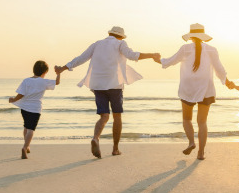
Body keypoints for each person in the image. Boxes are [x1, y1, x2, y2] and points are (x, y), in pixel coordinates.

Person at [54, 26, 160, 159]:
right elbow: (132, 55)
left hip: (98, 84)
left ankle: (96, 138)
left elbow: (80, 59)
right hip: (115, 84)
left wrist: (63, 68)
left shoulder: (97, 44)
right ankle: (115, 149)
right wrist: (152, 55)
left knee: (104, 116)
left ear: (109, 34)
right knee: (117, 116)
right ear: (121, 36)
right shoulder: (121, 43)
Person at [155, 23, 232, 160]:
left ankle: (191, 142)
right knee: (202, 122)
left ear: (191, 36)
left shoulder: (185, 49)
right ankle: (201, 153)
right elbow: (219, 69)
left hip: (188, 88)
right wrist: (227, 82)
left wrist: (159, 60)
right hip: (206, 88)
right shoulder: (211, 50)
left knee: (186, 119)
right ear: (203, 36)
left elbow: (169, 61)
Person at [9, 60, 60, 159]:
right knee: (31, 129)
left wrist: (13, 99)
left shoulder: (26, 80)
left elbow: (21, 94)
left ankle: (27, 146)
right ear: (44, 72)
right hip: (35, 108)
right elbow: (57, 82)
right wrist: (58, 73)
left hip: (24, 108)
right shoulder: (44, 81)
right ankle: (24, 147)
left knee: (26, 127)